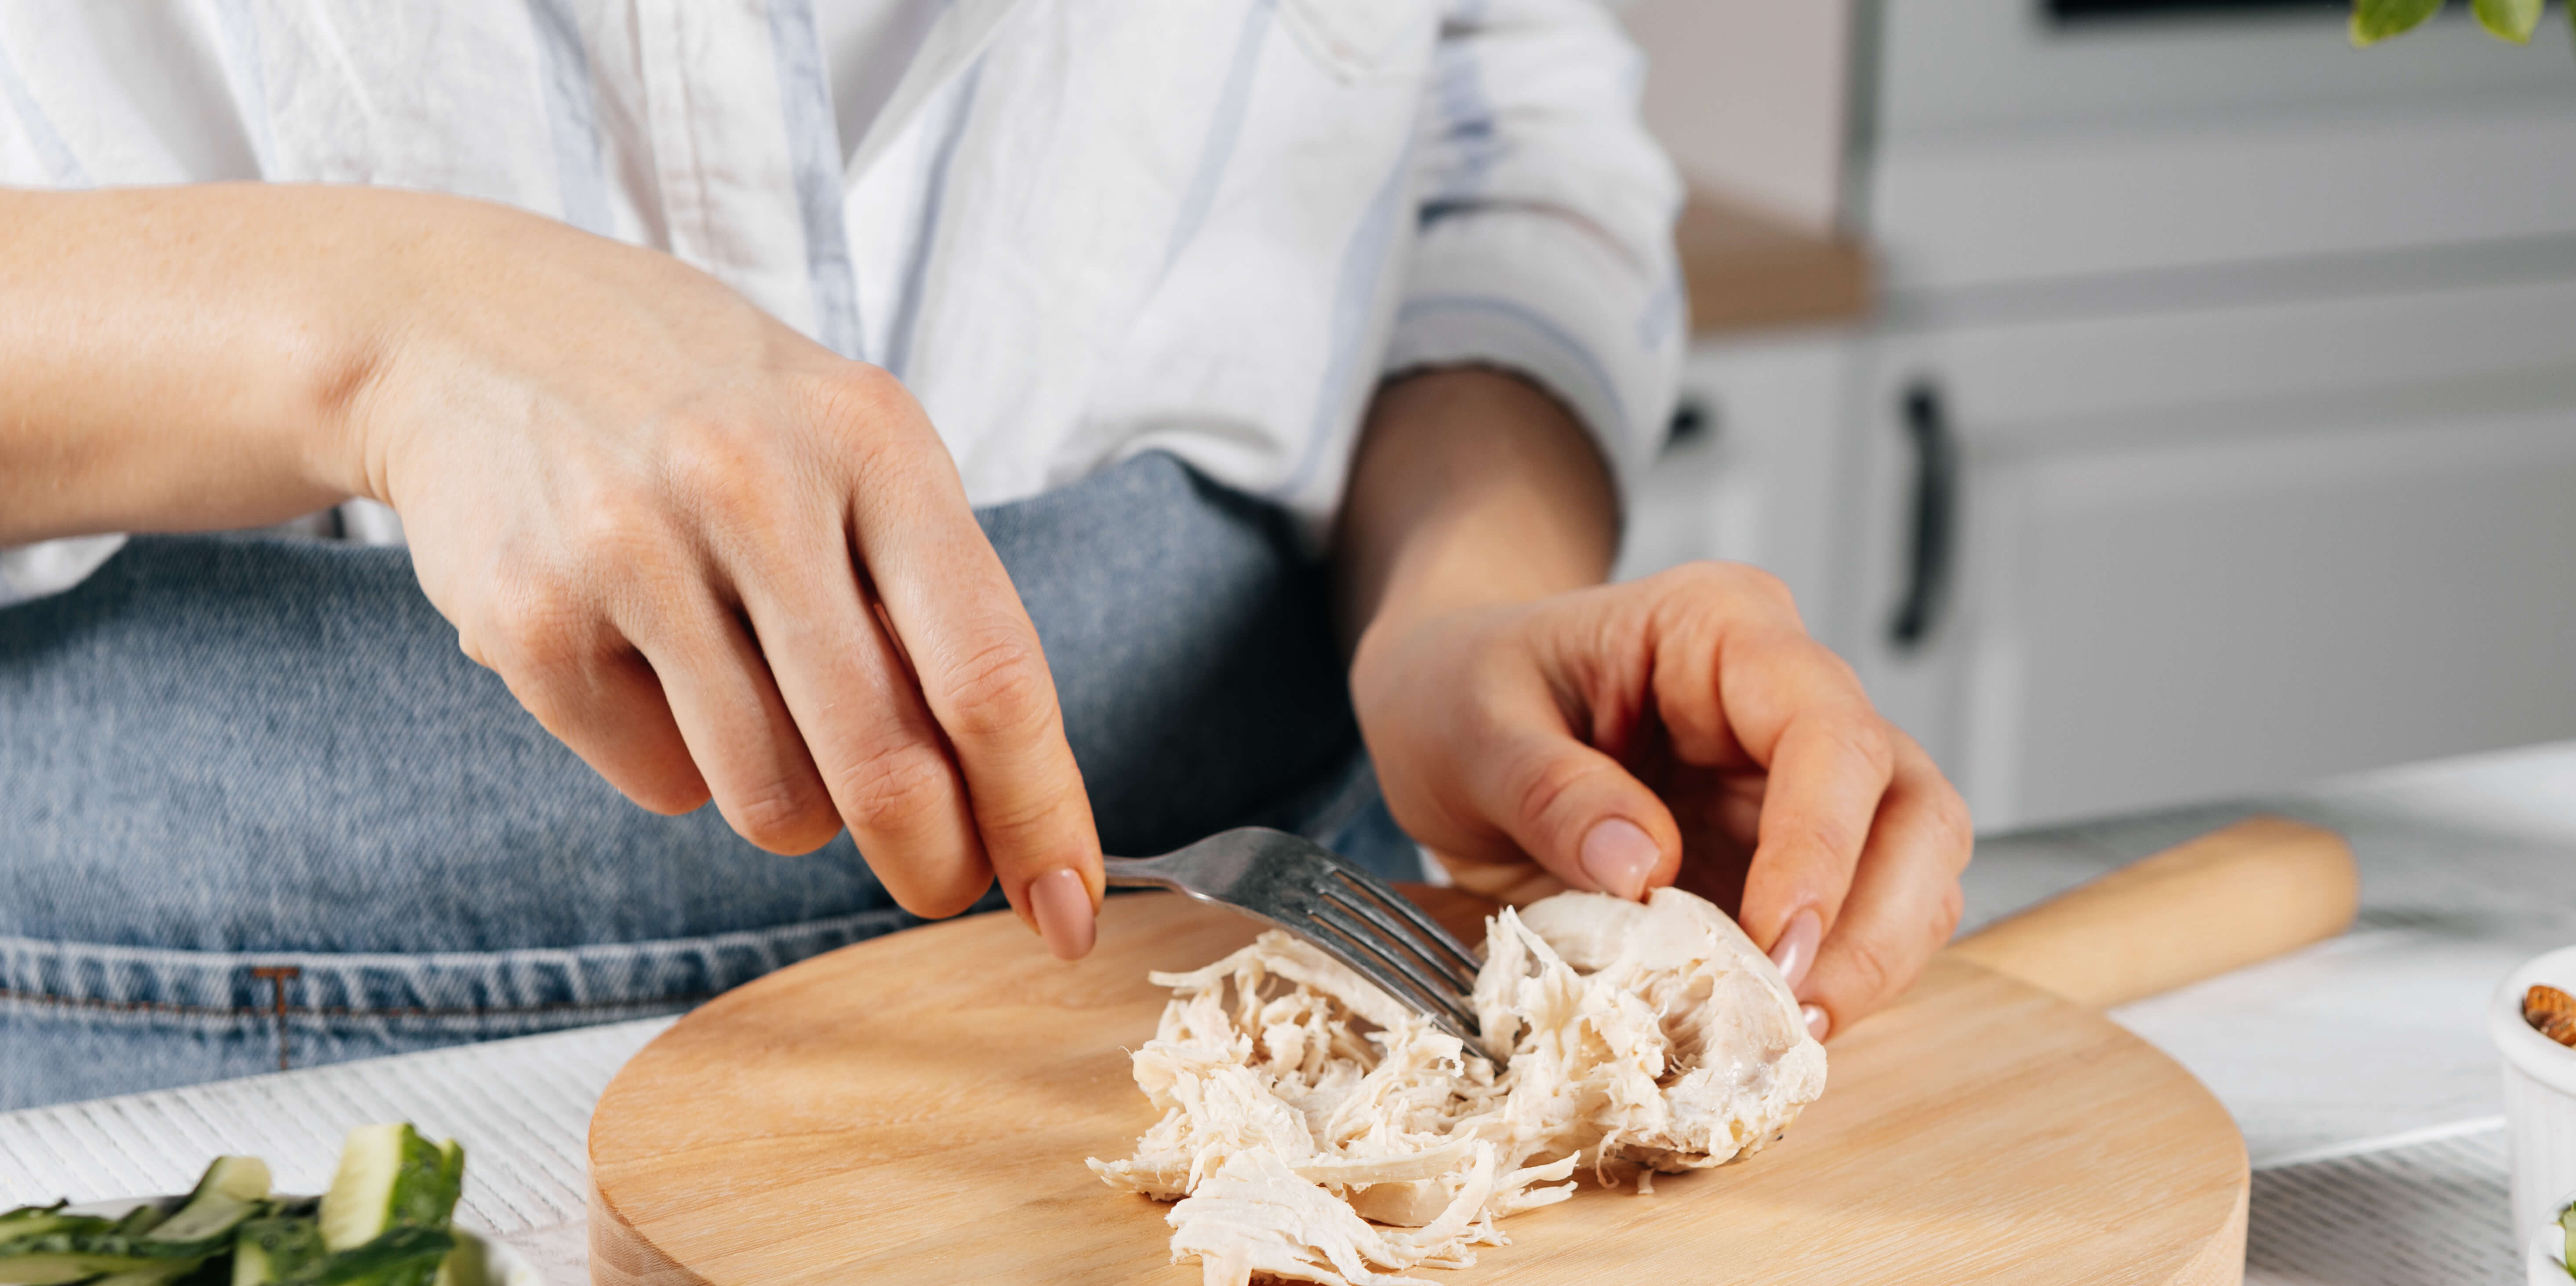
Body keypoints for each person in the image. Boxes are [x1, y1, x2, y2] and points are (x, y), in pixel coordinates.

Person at [0, 1, 1970, 1112]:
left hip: (1267, 977)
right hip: (174, 1089)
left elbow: (1484, 130)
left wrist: (1461, 594)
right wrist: (366, 325)